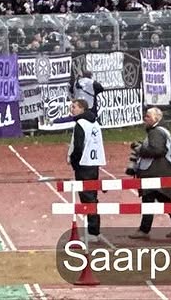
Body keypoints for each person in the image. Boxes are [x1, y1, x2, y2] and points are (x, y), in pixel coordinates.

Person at [128, 107, 171, 240]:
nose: (145, 118)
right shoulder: (159, 131)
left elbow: (157, 150)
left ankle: (144, 230)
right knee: (163, 198)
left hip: (155, 172)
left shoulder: (156, 132)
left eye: (148, 116)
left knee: (149, 199)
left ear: (156, 118)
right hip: (160, 171)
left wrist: (140, 149)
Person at [68, 98, 105, 238]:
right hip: (94, 164)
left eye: (74, 107)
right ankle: (95, 229)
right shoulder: (94, 122)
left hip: (84, 165)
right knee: (93, 196)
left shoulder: (80, 124)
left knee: (87, 198)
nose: (72, 109)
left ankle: (93, 232)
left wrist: (74, 161)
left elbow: (78, 146)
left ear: (82, 109)